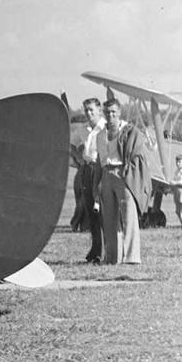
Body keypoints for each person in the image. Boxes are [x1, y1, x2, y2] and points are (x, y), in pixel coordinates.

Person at [96, 98, 151, 264]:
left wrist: (128, 172)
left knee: (128, 216)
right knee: (109, 218)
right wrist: (96, 184)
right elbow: (99, 160)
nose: (110, 115)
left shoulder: (128, 131)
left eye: (113, 112)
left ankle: (132, 257)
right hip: (106, 174)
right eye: (107, 112)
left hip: (123, 174)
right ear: (103, 114)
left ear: (119, 112)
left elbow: (138, 152)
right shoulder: (100, 135)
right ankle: (113, 257)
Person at [78, 98, 106, 262]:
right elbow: (71, 144)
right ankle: (95, 249)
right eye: (86, 110)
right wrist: (80, 160)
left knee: (100, 210)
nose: (88, 113)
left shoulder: (105, 127)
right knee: (90, 211)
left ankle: (103, 251)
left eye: (91, 110)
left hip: (99, 167)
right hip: (87, 168)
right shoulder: (83, 129)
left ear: (99, 110)